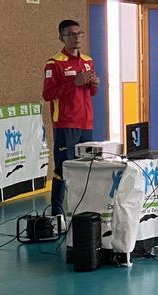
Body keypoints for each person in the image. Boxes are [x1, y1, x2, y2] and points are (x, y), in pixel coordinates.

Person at [43, 19, 99, 216]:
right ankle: (57, 215)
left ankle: (84, 211)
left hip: (86, 123)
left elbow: (91, 93)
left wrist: (94, 83)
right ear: (62, 38)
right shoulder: (54, 63)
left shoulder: (88, 61)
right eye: (71, 34)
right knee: (63, 169)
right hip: (66, 124)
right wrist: (74, 82)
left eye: (79, 33)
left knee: (87, 168)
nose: (76, 37)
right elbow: (48, 94)